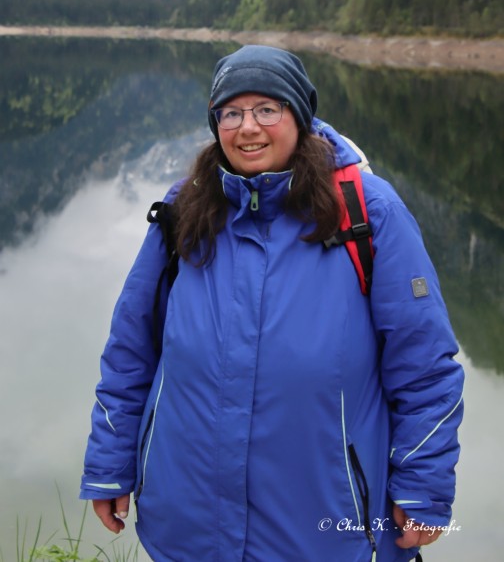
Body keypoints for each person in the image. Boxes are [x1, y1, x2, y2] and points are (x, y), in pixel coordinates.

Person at [80, 44, 464, 562]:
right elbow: (131, 349)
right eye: (231, 113)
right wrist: (110, 462)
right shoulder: (184, 208)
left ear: (299, 116)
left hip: (324, 533)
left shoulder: (368, 212)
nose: (248, 128)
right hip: (187, 526)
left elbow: (425, 367)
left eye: (267, 109)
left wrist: (423, 487)